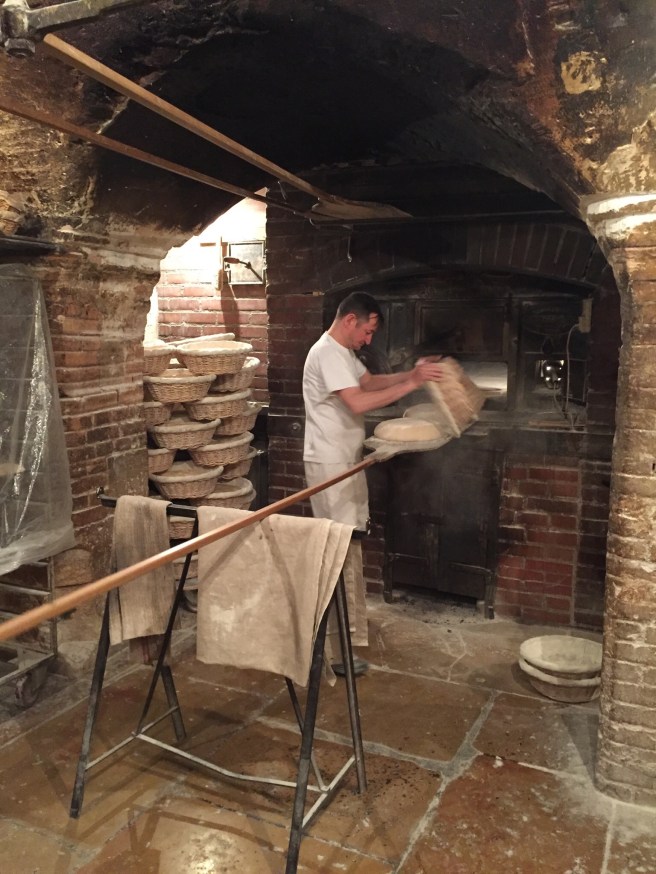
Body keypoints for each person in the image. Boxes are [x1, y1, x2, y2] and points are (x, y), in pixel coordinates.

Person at [302, 291, 443, 675]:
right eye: (367, 332)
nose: (368, 341)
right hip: (330, 467)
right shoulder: (326, 353)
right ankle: (333, 652)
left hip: (345, 462)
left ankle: (342, 644)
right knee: (336, 554)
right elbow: (359, 402)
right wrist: (412, 385)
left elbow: (370, 383)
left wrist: (412, 375)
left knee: (348, 550)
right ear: (350, 320)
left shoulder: (344, 353)